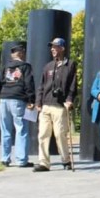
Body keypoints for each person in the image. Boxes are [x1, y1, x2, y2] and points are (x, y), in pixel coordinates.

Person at [33, 38, 77, 172]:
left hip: (60, 105)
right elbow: (41, 85)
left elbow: (73, 85)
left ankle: (66, 160)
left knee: (60, 134)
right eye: (51, 47)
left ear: (62, 48)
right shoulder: (47, 66)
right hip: (46, 104)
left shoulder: (70, 64)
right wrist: (38, 102)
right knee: (43, 135)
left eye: (55, 46)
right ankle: (44, 163)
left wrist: (69, 100)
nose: (52, 49)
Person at [0, 44, 35, 167]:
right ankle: (21, 160)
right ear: (22, 53)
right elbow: (28, 83)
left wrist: (1, 93)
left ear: (12, 55)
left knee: (5, 129)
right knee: (21, 129)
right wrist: (31, 99)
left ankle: (5, 158)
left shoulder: (5, 67)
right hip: (18, 99)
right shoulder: (25, 66)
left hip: (4, 99)